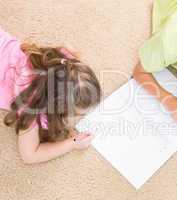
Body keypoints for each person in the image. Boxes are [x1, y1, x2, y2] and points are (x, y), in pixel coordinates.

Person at [0, 27, 101, 164]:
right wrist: (73, 143)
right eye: (77, 115)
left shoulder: (61, 61)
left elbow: (69, 54)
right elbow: (29, 156)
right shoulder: (31, 107)